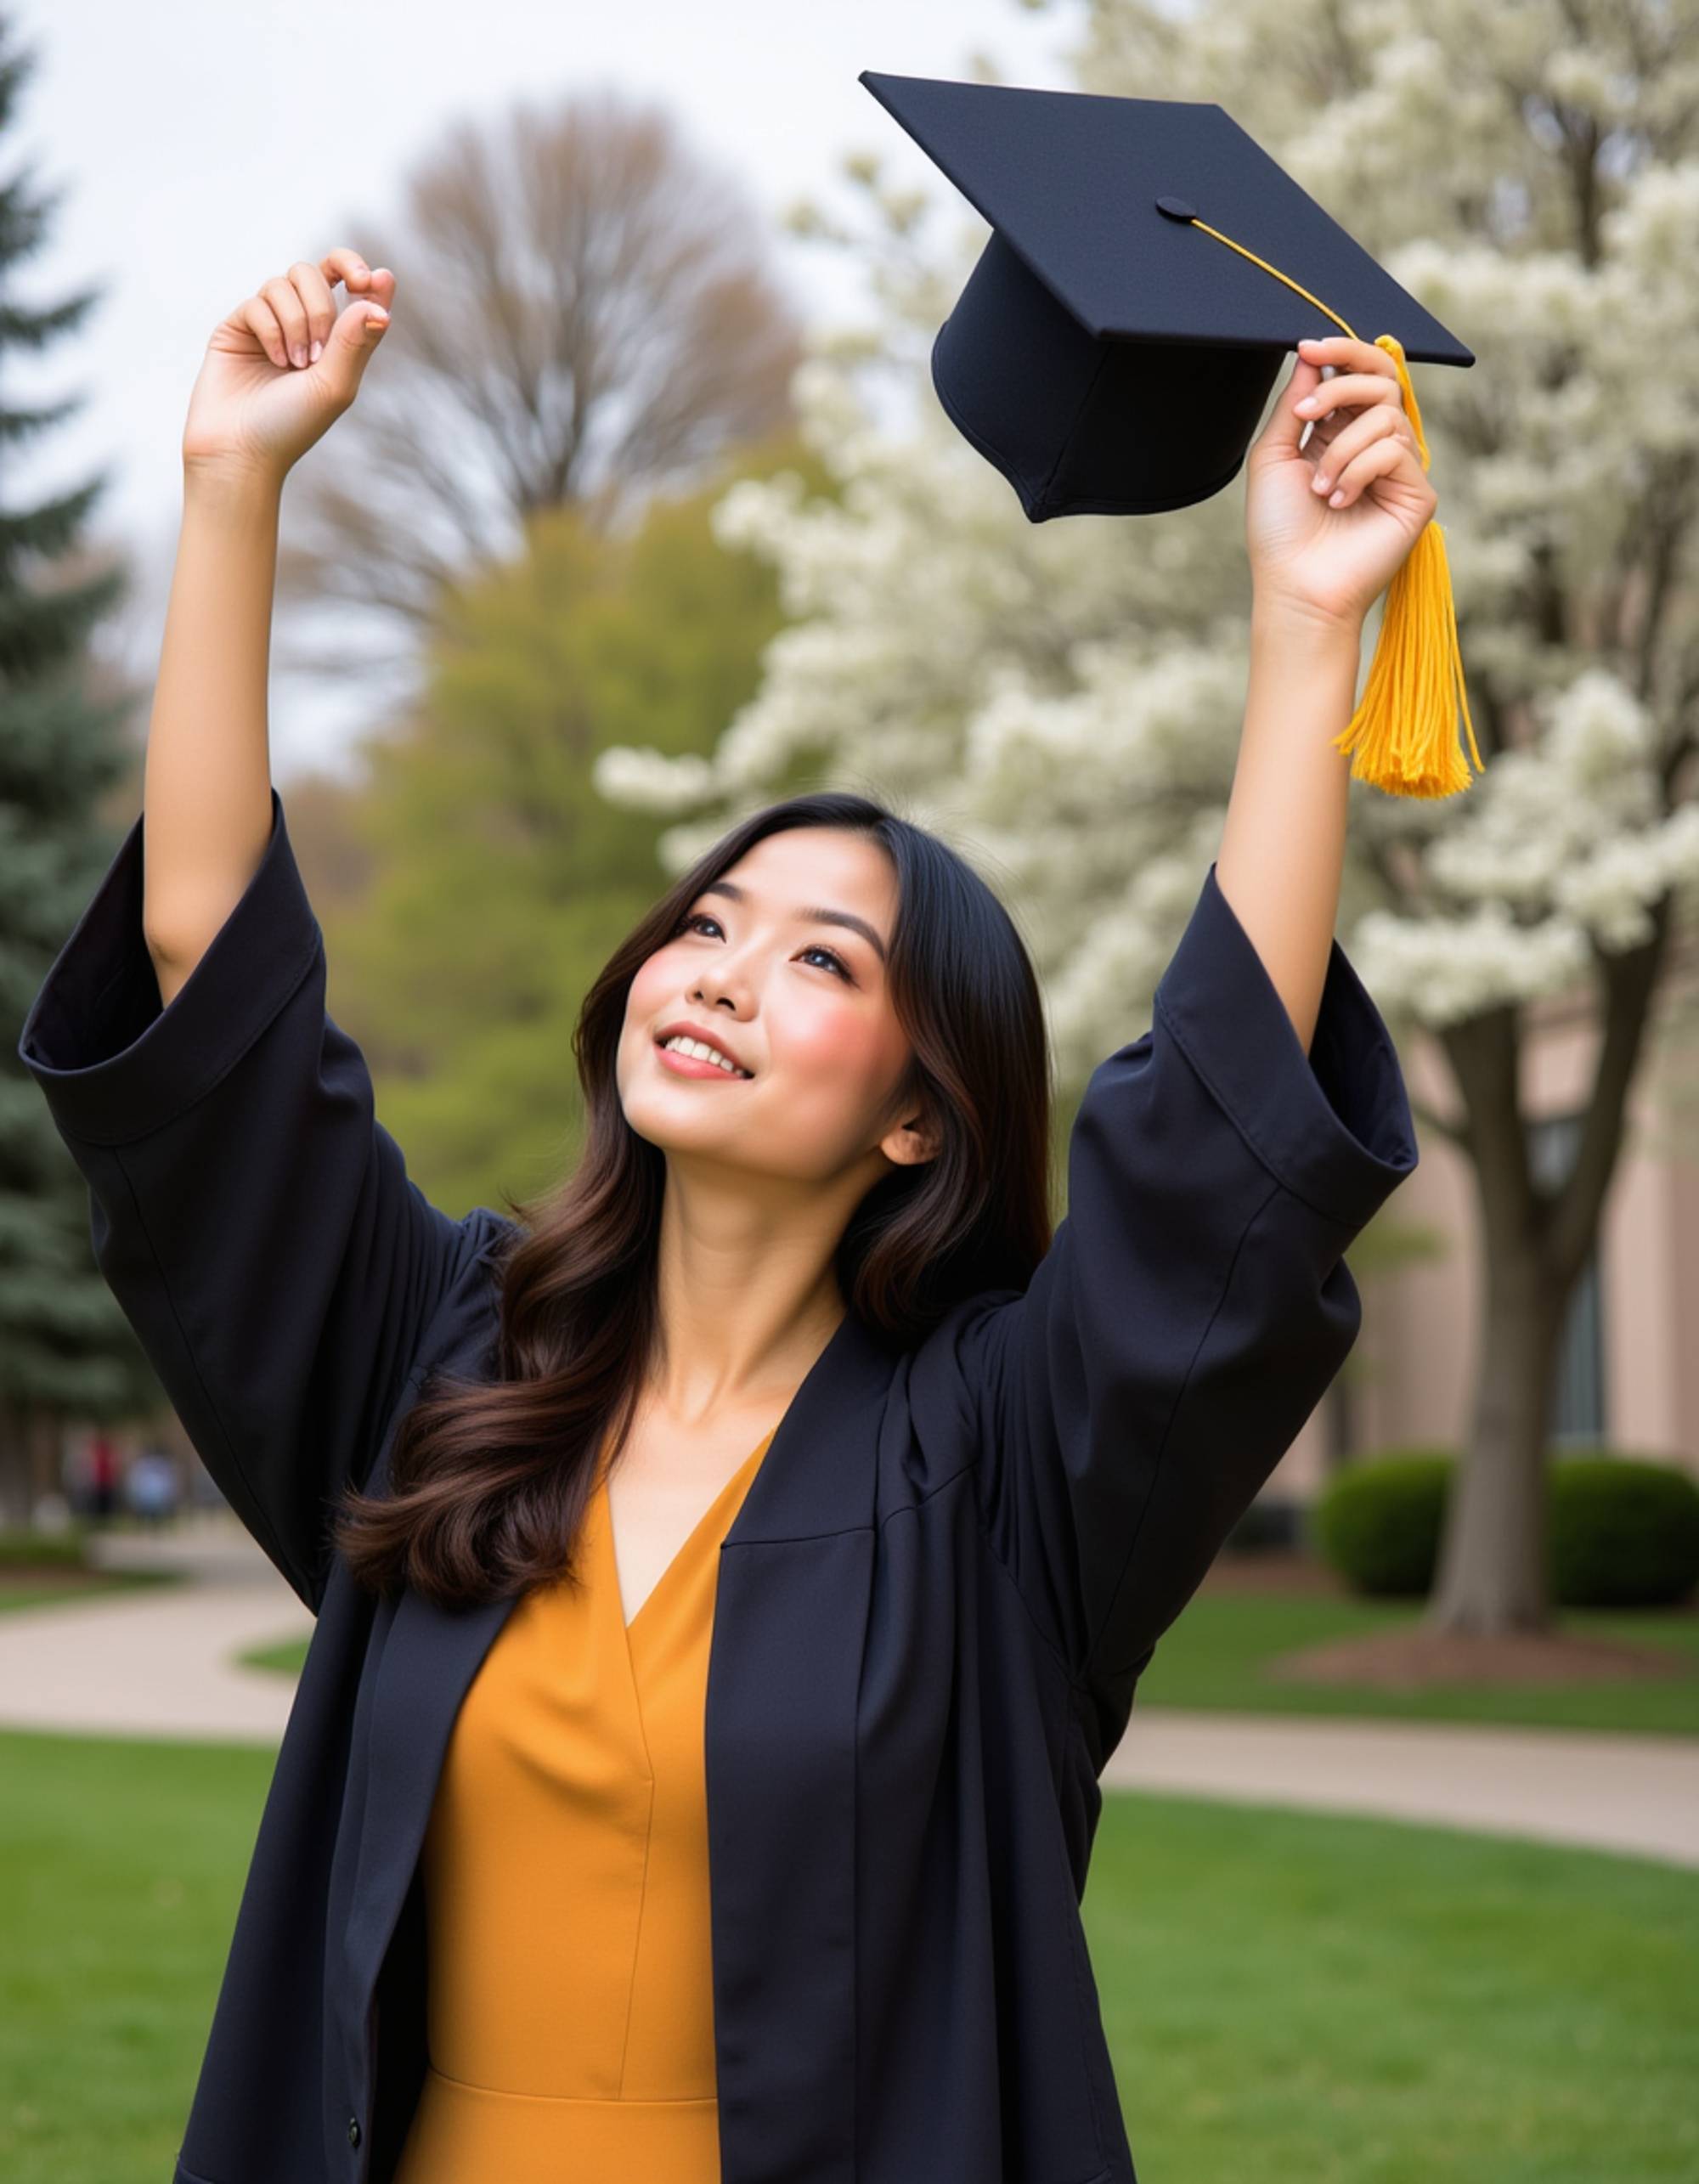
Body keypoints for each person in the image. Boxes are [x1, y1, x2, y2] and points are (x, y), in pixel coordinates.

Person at [19, 249, 1423, 2184]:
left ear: (925, 1112)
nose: (721, 970)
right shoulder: (446, 1372)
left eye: (818, 956)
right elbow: (216, 1011)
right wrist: (233, 488)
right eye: (706, 921)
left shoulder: (998, 1472)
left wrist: (1304, 626)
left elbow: (1210, 1165)